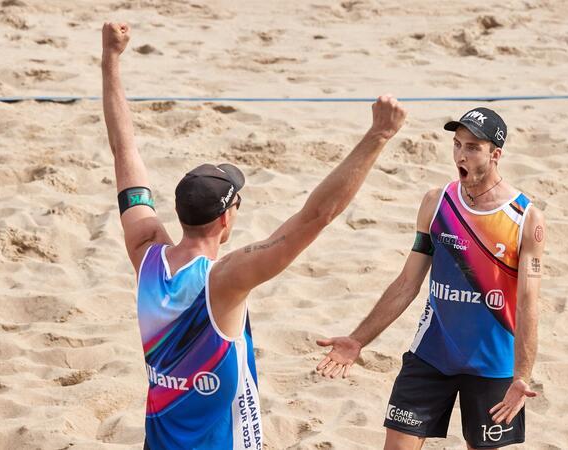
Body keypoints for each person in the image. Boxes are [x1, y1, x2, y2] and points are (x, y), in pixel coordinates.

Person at [101, 22, 406, 450]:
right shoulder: (224, 279)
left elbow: (124, 151)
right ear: (225, 219)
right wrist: (379, 135)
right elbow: (316, 216)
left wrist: (111, 59)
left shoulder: (145, 251)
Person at [316, 107, 545, 449]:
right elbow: (407, 283)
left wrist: (522, 375)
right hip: (432, 354)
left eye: (472, 147)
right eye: (457, 144)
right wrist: (358, 339)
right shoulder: (437, 203)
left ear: (495, 155)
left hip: (493, 364)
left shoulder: (525, 218)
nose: (461, 155)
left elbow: (528, 304)